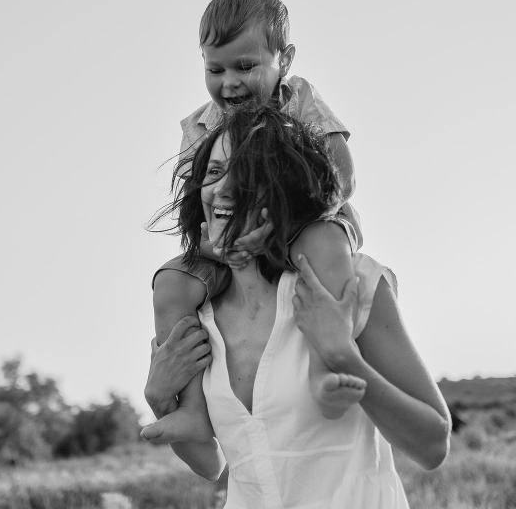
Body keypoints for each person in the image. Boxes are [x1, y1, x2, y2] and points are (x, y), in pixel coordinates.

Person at [146, 102, 449, 507]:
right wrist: (161, 400)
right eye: (214, 172)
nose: (222, 188)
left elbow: (433, 445)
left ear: (283, 192)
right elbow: (210, 463)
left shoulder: (347, 287)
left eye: (247, 174)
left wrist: (342, 355)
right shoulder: (198, 319)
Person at [145, 0, 363, 445]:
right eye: (215, 69)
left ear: (285, 59)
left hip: (305, 227)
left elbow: (341, 178)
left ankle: (328, 365)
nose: (229, 83)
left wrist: (284, 227)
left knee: (326, 241)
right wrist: (222, 246)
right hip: (228, 249)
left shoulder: (297, 99)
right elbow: (196, 218)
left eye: (245, 67)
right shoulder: (199, 127)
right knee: (171, 283)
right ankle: (191, 411)